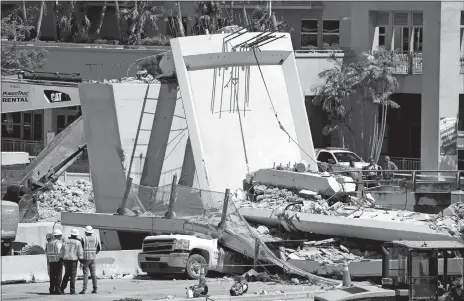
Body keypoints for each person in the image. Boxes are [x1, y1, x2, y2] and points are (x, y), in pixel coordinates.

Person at [60, 228, 84, 295]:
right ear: (76, 235)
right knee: (73, 276)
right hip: (73, 260)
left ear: (71, 234)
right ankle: (72, 291)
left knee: (66, 275)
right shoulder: (78, 242)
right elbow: (80, 252)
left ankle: (61, 289)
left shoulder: (65, 241)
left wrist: (61, 258)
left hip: (66, 260)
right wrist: (81, 260)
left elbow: (62, 250)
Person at [80, 225, 101, 294]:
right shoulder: (95, 238)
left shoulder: (83, 238)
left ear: (86, 232)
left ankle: (84, 290)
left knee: (85, 274)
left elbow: (80, 249)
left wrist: (81, 259)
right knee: (93, 274)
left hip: (86, 258)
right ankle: (95, 289)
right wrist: (94, 254)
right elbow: (99, 249)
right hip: (93, 258)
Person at [46, 229, 63, 295]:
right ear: (58, 236)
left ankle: (51, 289)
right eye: (60, 235)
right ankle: (58, 290)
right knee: (58, 276)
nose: (61, 237)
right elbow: (60, 252)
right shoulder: (57, 243)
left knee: (52, 276)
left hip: (51, 262)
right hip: (57, 261)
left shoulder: (49, 243)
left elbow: (47, 253)